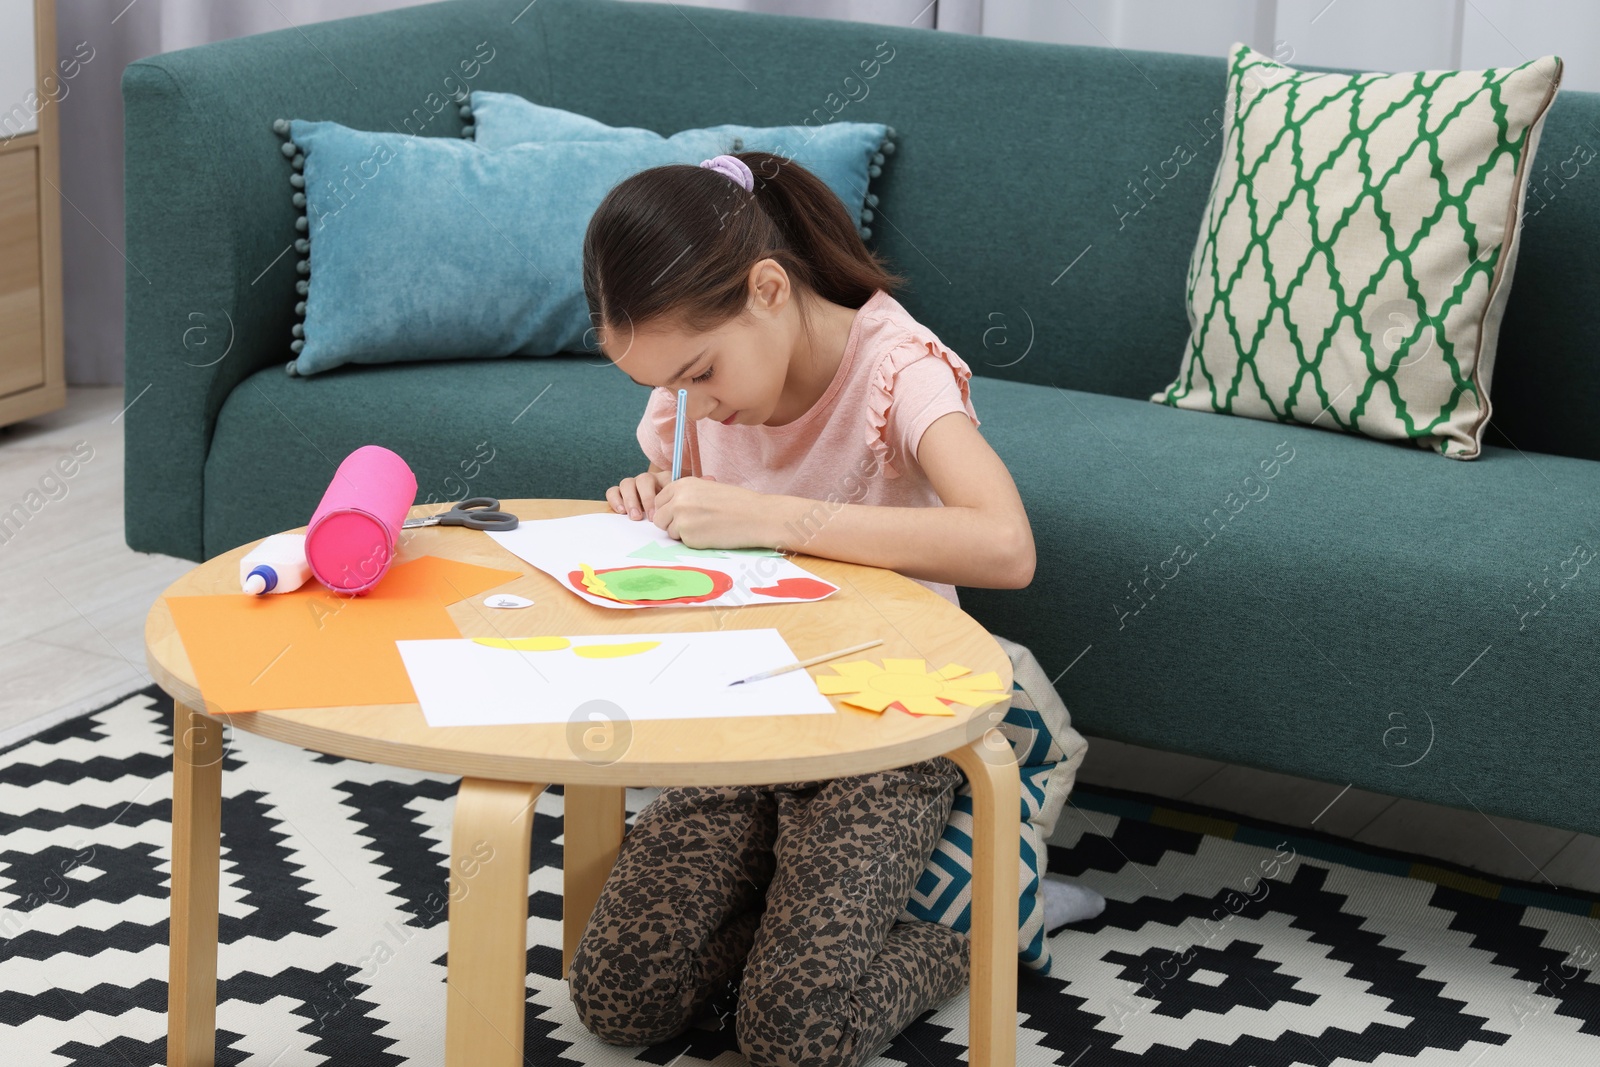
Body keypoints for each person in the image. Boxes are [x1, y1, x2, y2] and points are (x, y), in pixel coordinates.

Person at [567, 151, 1036, 1067]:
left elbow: (1007, 545)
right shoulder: (697, 401)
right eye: (667, 385)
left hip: (883, 728)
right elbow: (698, 501)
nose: (691, 402)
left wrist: (772, 520)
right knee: (616, 997)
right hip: (743, 716)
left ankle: (978, 933)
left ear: (769, 288)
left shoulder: (899, 369)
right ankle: (783, 914)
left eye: (700, 372)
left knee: (792, 1038)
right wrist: (654, 493)